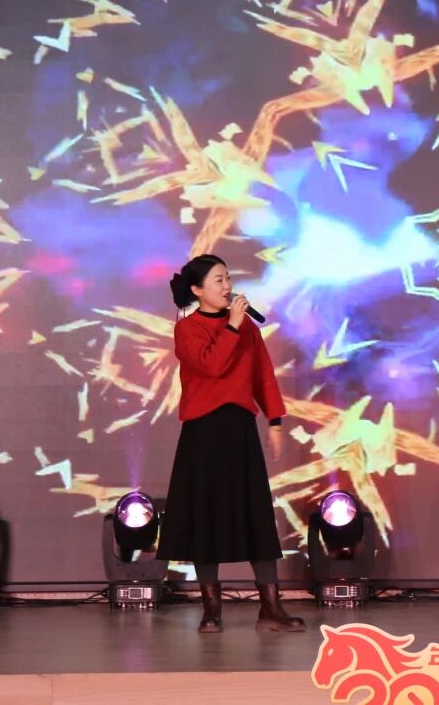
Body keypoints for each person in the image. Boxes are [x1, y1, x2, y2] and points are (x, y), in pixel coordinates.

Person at [157, 254, 305, 634]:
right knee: (205, 516)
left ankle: (270, 608)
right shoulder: (187, 329)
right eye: (218, 280)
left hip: (240, 429)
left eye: (228, 278)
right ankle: (212, 609)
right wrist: (233, 326)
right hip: (203, 433)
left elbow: (262, 374)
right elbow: (212, 365)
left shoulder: (246, 328)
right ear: (197, 290)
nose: (227, 286)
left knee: (256, 515)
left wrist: (275, 419)